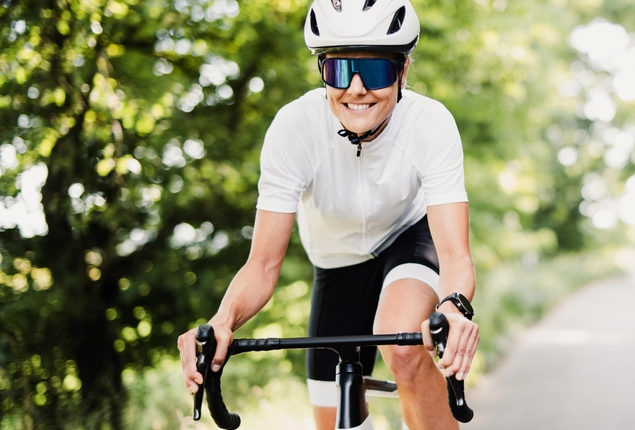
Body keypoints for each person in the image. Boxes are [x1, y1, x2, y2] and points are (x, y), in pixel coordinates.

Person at [176, 0, 479, 428]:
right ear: (322, 71)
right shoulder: (294, 129)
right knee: (334, 417)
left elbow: (455, 256)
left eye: (374, 71)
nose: (356, 88)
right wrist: (221, 322)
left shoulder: (430, 124)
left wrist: (453, 308)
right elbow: (262, 265)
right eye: (339, 70)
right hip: (335, 263)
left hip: (408, 239)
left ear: (403, 71)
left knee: (404, 345)